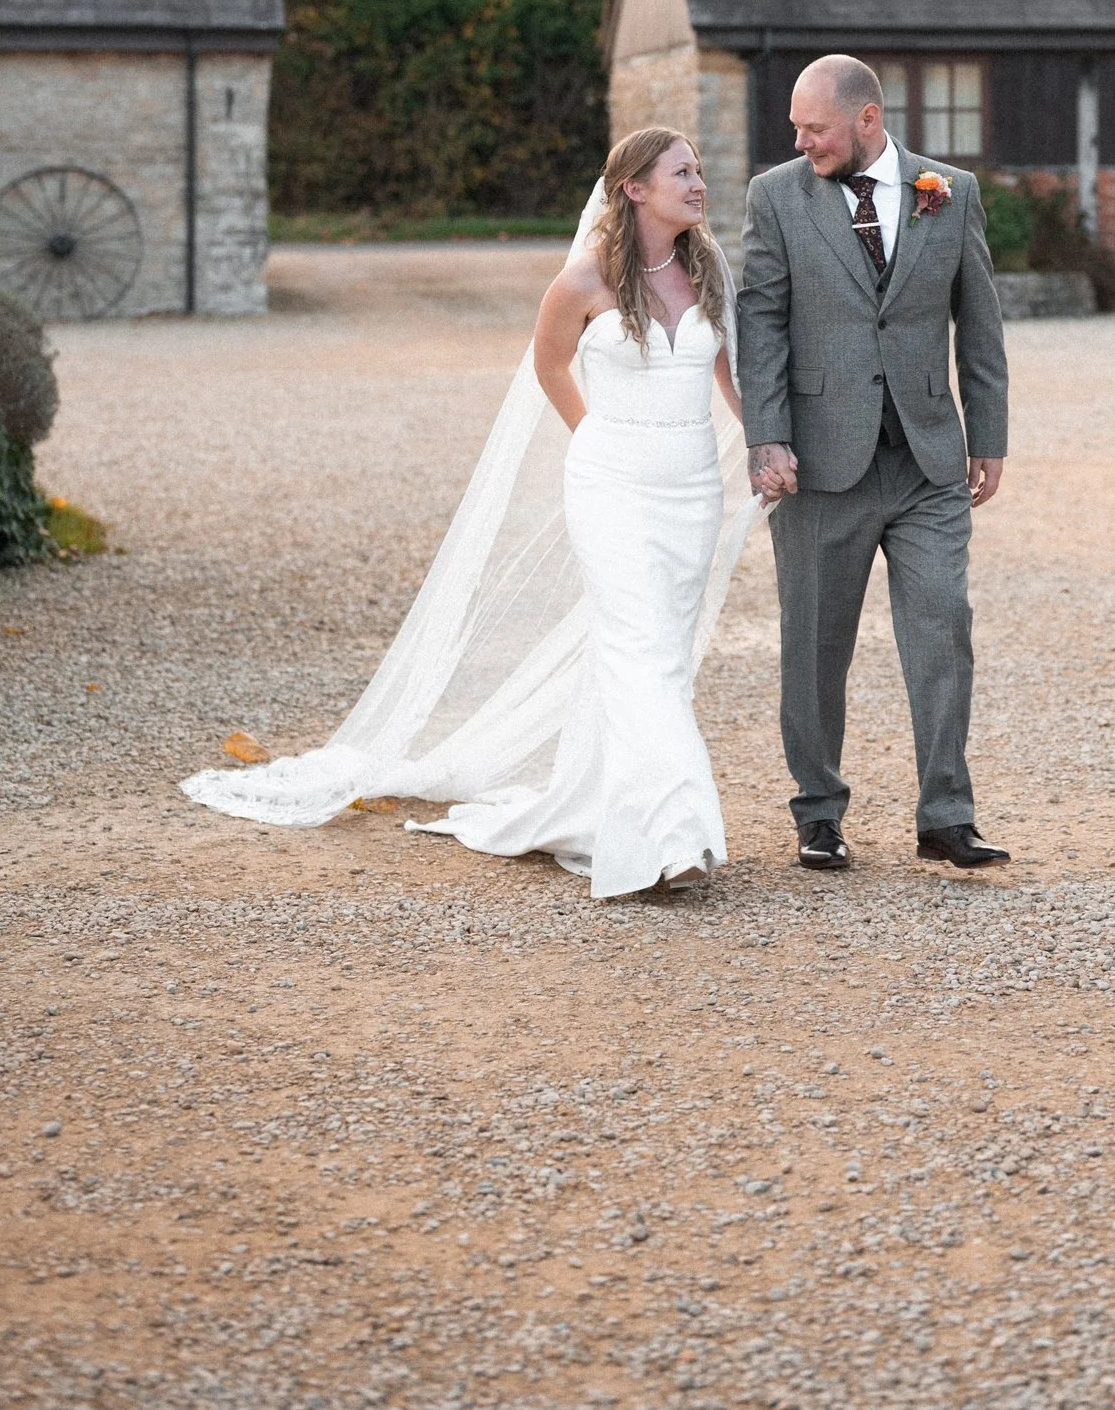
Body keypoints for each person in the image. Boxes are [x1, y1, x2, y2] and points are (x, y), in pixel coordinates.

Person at [182, 129, 761, 902]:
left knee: (657, 653)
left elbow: (727, 368)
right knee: (639, 651)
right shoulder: (583, 281)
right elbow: (551, 364)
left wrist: (763, 446)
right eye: (681, 172)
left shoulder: (707, 271)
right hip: (611, 487)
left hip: (690, 490)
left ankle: (606, 806)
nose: (698, 183)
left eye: (696, 171)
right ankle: (673, 837)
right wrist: (597, 436)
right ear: (634, 189)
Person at [738, 55, 1010, 871]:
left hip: (929, 459)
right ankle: (818, 815)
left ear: (866, 120)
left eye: (813, 127)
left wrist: (987, 438)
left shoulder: (947, 191)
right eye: (795, 127)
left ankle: (945, 816)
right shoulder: (775, 196)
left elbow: (981, 324)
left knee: (942, 632)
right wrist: (767, 435)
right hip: (819, 463)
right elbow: (761, 323)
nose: (799, 140)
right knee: (816, 644)